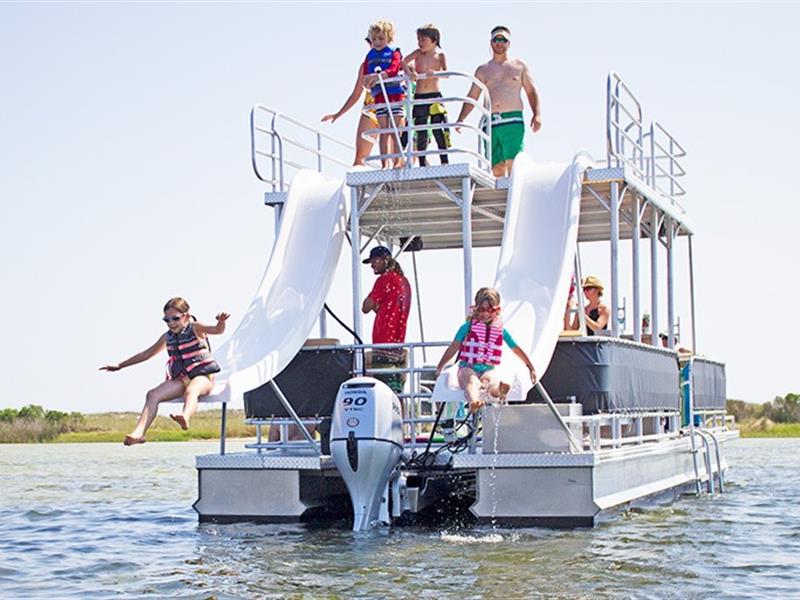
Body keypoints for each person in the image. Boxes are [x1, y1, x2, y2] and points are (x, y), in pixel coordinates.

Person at [100, 297, 229, 446]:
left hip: (203, 376)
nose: (171, 323)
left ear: (186, 316)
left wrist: (221, 322)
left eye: (175, 319)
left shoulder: (195, 327)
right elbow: (146, 354)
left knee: (192, 391)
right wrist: (120, 365)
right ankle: (139, 433)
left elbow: (217, 331)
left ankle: (185, 417)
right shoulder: (167, 337)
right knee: (152, 394)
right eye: (167, 320)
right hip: (182, 378)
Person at [455, 25, 542, 177]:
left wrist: (537, 114)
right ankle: (502, 200)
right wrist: (461, 118)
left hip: (512, 119)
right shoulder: (483, 69)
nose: (499, 43)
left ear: (509, 43)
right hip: (491, 122)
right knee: (496, 168)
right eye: (496, 39)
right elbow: (473, 96)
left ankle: (514, 196)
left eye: (503, 40)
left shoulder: (519, 66)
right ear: (491, 42)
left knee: (513, 164)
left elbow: (531, 91)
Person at [435, 287, 536, 414]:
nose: (486, 314)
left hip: (488, 369)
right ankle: (474, 402)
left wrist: (530, 366)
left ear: (497, 310)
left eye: (490, 310)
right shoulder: (468, 327)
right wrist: (440, 366)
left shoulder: (500, 330)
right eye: (482, 310)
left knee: (490, 382)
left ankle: (500, 391)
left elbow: (515, 348)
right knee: (472, 381)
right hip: (467, 367)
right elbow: (454, 347)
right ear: (476, 308)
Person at [321, 36, 380, 166]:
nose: (374, 45)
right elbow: (355, 95)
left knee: (391, 157)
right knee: (360, 156)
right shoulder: (365, 66)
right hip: (371, 111)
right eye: (372, 42)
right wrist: (338, 114)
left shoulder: (394, 61)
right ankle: (356, 185)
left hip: (390, 110)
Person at [362, 246, 412, 392]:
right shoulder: (404, 281)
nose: (372, 265)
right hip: (398, 344)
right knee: (397, 390)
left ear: (385, 260)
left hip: (382, 343)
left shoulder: (384, 280)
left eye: (375, 261)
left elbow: (366, 307)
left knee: (383, 389)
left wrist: (374, 305)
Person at [401, 23, 451, 166]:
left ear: (434, 40)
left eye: (423, 40)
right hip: (420, 96)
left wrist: (436, 73)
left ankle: (444, 161)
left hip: (435, 95)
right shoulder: (417, 53)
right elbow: (403, 62)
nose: (420, 43)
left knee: (438, 128)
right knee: (420, 129)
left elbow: (447, 74)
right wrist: (410, 73)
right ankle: (422, 162)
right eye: (418, 39)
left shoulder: (440, 56)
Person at [361, 20, 406, 168]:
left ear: (388, 37)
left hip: (394, 95)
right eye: (374, 39)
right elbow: (366, 73)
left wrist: (379, 77)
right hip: (379, 97)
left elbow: (394, 69)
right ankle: (384, 163)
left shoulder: (394, 52)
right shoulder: (370, 55)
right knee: (383, 130)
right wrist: (368, 80)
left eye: (381, 38)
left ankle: (398, 160)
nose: (377, 42)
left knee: (394, 129)